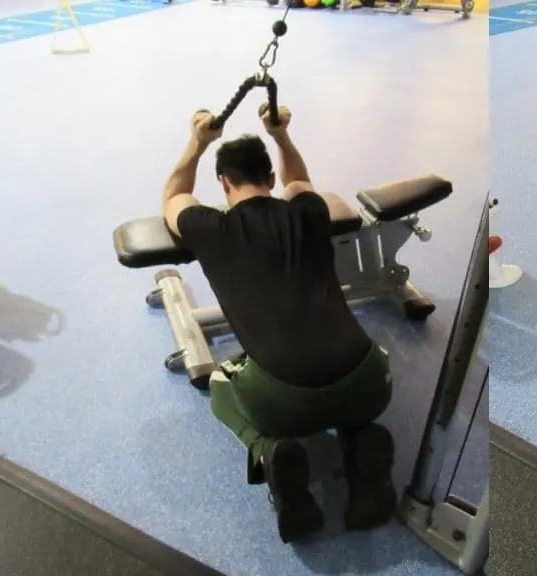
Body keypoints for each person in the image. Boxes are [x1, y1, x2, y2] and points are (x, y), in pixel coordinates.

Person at [160, 107, 398, 543]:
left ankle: (271, 452)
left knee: (219, 384)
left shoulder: (207, 226)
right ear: (269, 178)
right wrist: (281, 135)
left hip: (281, 403)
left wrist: (197, 143)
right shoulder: (310, 211)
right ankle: (358, 440)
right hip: (370, 385)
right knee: (352, 376)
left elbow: (173, 196)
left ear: (224, 185)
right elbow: (299, 181)